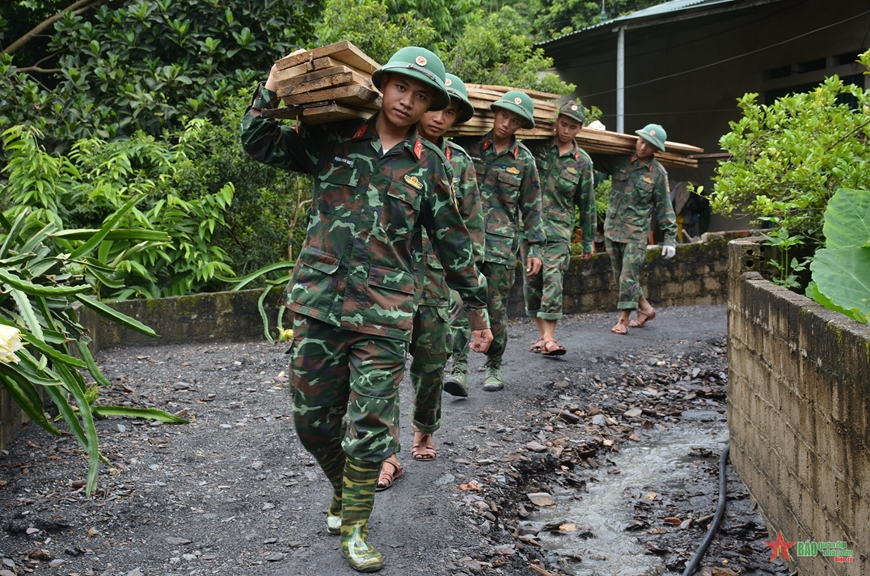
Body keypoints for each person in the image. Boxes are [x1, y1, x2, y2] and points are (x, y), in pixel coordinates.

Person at [240, 47, 493, 572]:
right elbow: (258, 141)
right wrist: (272, 80)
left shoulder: (432, 168)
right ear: (382, 86)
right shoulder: (331, 141)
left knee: (370, 427)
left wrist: (478, 310)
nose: (409, 100)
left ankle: (355, 526)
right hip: (319, 302)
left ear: (431, 107)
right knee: (311, 423)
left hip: (385, 315)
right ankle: (342, 489)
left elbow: (454, 247)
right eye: (402, 87)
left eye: (422, 96)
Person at [376, 73, 483, 489]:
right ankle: (386, 450)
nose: (438, 117)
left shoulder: (457, 163)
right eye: (435, 107)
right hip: (390, 277)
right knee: (381, 366)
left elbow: (469, 230)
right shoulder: (389, 149)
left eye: (448, 111)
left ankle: (425, 428)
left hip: (437, 279)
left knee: (429, 364)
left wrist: (470, 291)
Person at [444, 90, 546, 392]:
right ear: (494, 114)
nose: (506, 123)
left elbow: (532, 206)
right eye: (504, 115)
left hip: (502, 246)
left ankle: (493, 366)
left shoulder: (524, 160)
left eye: (514, 120)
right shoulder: (469, 148)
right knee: (459, 305)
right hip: (464, 241)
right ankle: (458, 369)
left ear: (520, 125)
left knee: (496, 309)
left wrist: (535, 247)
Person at [523, 102, 596, 356]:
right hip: (531, 230)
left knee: (553, 280)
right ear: (556, 122)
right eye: (563, 124)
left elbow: (587, 204)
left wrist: (588, 241)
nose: (566, 130)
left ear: (579, 129)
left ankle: (550, 339)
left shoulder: (582, 162)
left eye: (572, 127)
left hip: (559, 232)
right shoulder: (536, 149)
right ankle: (543, 336)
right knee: (533, 286)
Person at [593, 123, 677, 335]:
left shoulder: (657, 173)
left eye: (649, 145)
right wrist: (595, 135)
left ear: (656, 149)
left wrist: (670, 238)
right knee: (620, 276)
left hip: (635, 233)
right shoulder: (621, 161)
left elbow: (664, 207)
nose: (642, 147)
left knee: (627, 278)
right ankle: (646, 309)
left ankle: (622, 320)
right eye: (641, 141)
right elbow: (594, 160)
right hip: (612, 229)